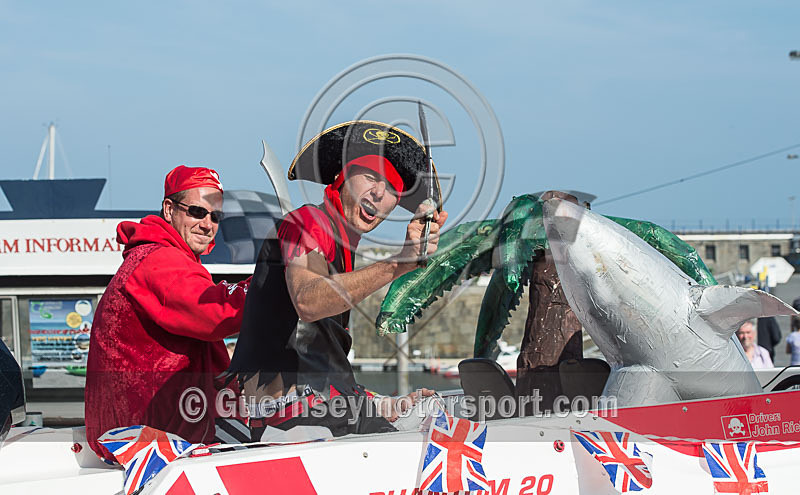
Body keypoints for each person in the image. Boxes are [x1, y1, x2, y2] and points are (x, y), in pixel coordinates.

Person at [228, 121, 447, 439]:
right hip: (281, 417)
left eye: (392, 190)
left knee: (426, 418)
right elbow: (309, 301)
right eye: (371, 177)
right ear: (340, 177)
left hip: (311, 409)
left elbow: (322, 367)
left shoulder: (343, 249)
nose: (379, 193)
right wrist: (396, 264)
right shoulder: (310, 222)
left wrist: (386, 404)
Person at [85, 165, 250, 460]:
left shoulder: (168, 259)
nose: (208, 224)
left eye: (216, 216)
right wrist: (276, 283)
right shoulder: (159, 261)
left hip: (159, 440)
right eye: (198, 212)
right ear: (169, 209)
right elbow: (216, 312)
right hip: (150, 449)